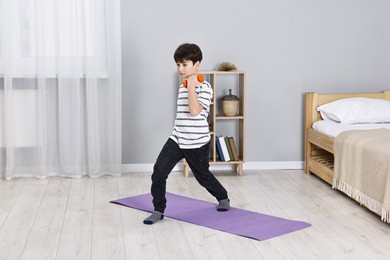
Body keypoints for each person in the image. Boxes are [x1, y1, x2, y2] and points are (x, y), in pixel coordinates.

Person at [143, 43, 230, 225]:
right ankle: (159, 210)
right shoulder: (182, 86)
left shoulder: (205, 88)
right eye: (178, 65)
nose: (180, 69)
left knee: (203, 177)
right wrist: (187, 85)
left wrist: (191, 86)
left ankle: (223, 197)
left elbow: (194, 111)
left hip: (197, 142)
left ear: (197, 64)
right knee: (158, 172)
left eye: (184, 65)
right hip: (177, 138)